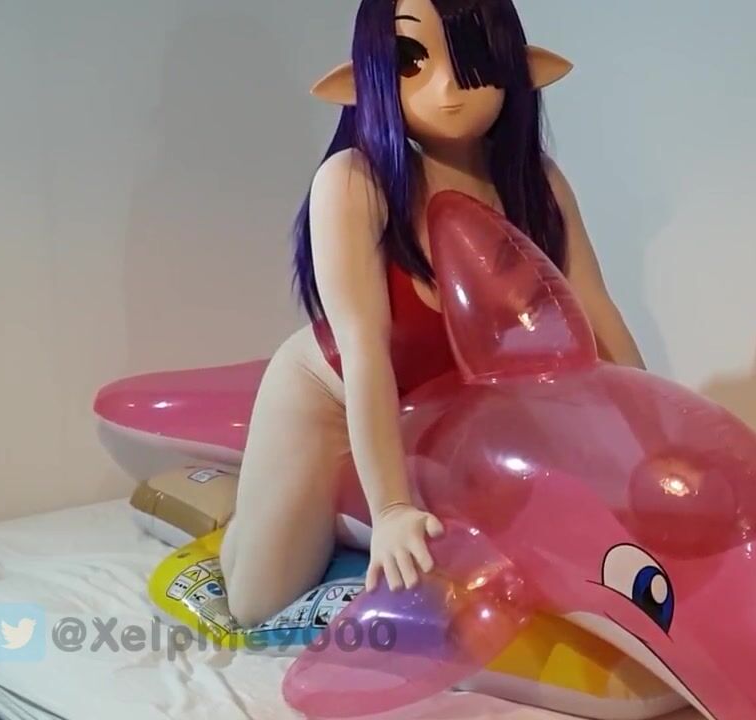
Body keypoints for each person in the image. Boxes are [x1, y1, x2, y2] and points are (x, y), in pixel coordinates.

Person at [220, 0, 644, 628]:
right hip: (331, 395)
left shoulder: (537, 185)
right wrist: (391, 509)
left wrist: (646, 446)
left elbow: (596, 312)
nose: (447, 88)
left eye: (473, 56)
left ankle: (345, 515)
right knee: (258, 601)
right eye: (410, 60)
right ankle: (249, 519)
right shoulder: (356, 182)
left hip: (454, 411)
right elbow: (364, 350)